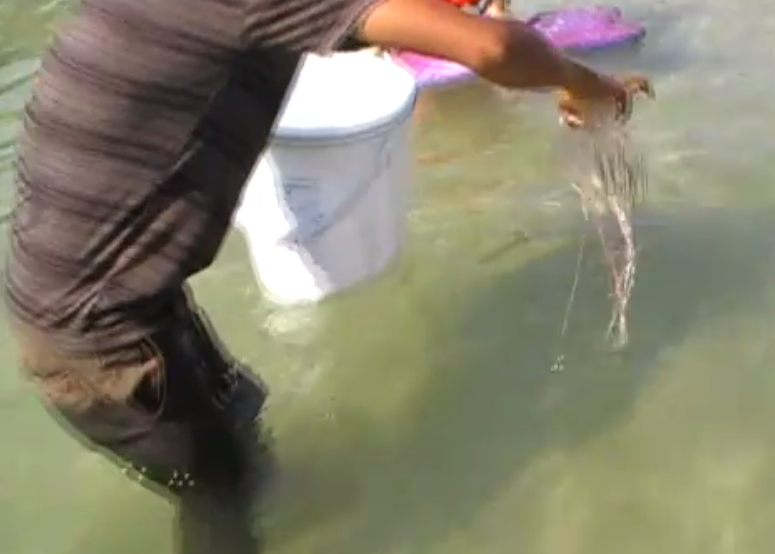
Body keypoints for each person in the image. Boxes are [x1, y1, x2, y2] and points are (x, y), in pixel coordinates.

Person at [2, 0, 653, 552]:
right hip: (103, 335)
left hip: (90, 297)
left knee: (238, 433)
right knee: (224, 506)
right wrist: (584, 83)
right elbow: (487, 44)